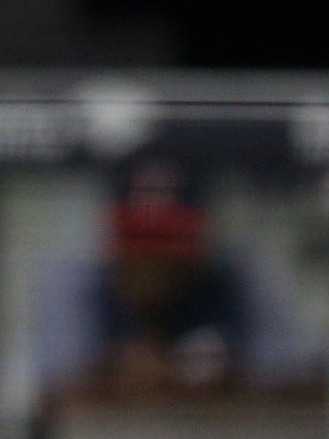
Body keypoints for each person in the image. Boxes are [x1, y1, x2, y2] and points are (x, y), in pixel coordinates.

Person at [35, 156, 323, 404]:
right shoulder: (77, 281)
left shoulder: (238, 279)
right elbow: (51, 392)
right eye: (136, 243)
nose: (150, 259)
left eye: (166, 243)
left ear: (201, 242)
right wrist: (116, 376)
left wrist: (222, 378)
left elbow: (304, 381)